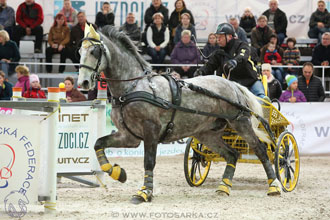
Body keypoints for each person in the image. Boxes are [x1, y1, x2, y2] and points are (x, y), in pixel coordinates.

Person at [194, 23, 266, 99]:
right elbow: (209, 66)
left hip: (252, 82)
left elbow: (243, 56)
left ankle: (264, 106)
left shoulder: (242, 45)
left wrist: (235, 61)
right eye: (217, 37)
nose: (218, 39)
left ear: (229, 36)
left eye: (220, 37)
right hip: (234, 87)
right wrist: (200, 71)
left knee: (260, 96)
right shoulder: (218, 53)